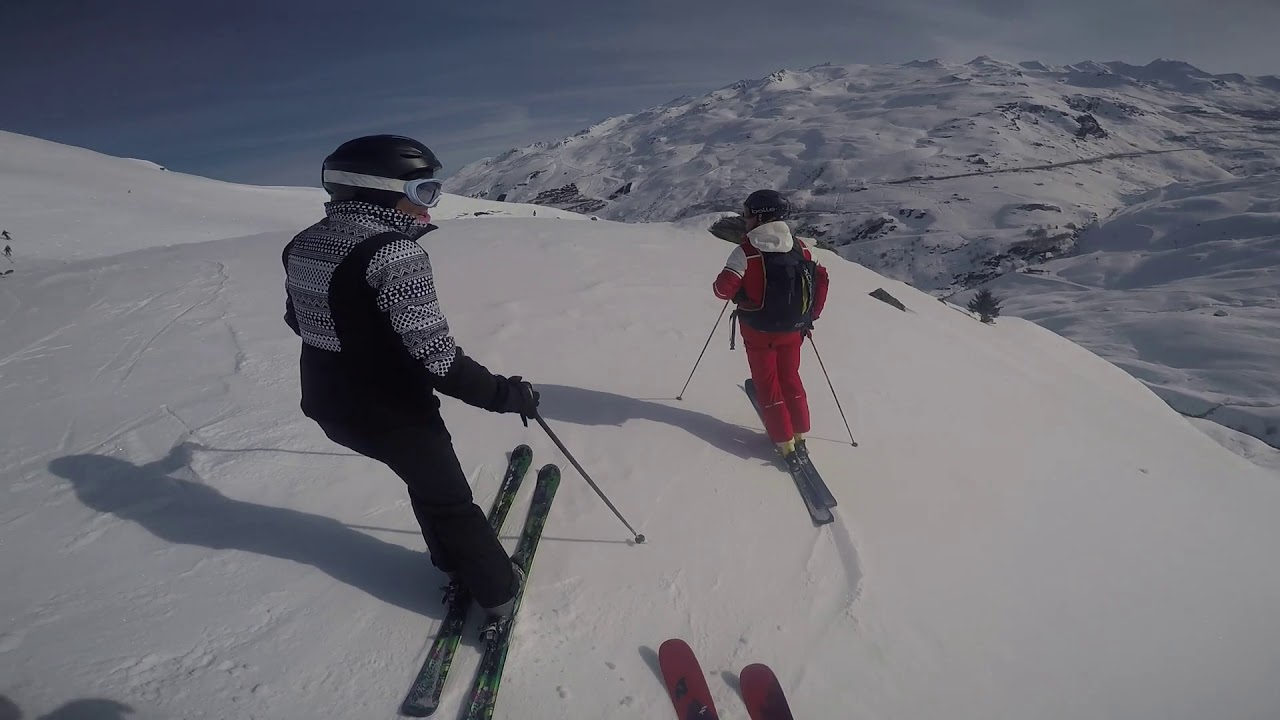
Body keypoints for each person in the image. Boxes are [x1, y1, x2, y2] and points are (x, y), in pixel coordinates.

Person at [281, 135, 539, 619]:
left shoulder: (303, 243)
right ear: (376, 190)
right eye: (424, 191)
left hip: (326, 403)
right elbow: (438, 362)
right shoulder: (395, 254)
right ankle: (500, 595)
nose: (431, 206)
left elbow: (299, 320)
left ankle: (449, 561)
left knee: (426, 483)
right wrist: (510, 395)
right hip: (391, 413)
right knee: (450, 502)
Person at [713, 190, 829, 462]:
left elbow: (721, 290)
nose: (744, 218)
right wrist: (810, 317)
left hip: (758, 331)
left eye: (747, 213)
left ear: (759, 216)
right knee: (790, 378)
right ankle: (799, 434)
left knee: (768, 385)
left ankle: (784, 442)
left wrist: (739, 293)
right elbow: (819, 281)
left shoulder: (746, 252)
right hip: (794, 330)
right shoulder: (800, 247)